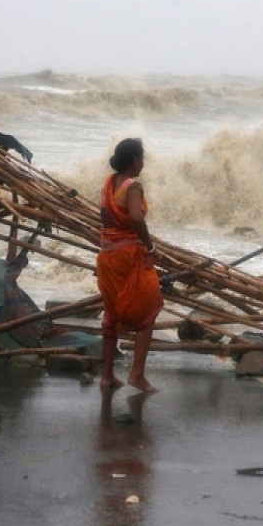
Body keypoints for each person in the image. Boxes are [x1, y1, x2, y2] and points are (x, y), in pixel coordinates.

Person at [96, 138, 163, 393]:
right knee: (149, 309)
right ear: (135, 160)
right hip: (129, 256)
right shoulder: (132, 187)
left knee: (111, 313)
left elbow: (105, 218)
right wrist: (150, 247)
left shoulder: (107, 185)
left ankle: (107, 377)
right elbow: (135, 218)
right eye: (141, 158)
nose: (142, 164)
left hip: (107, 256)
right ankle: (137, 375)